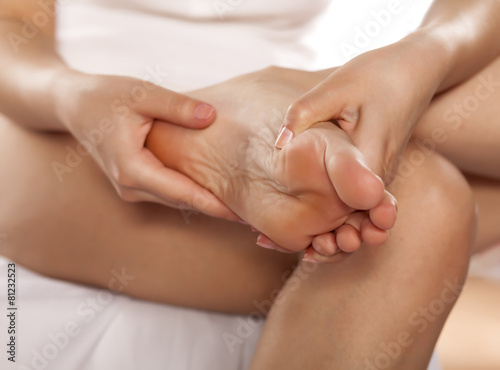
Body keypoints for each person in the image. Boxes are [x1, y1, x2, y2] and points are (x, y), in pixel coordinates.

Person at [0, 0, 490, 368]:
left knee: (396, 197)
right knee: (416, 206)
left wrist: (423, 56)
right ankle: (285, 117)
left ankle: (288, 107)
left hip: (288, 94)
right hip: (68, 122)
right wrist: (69, 95)